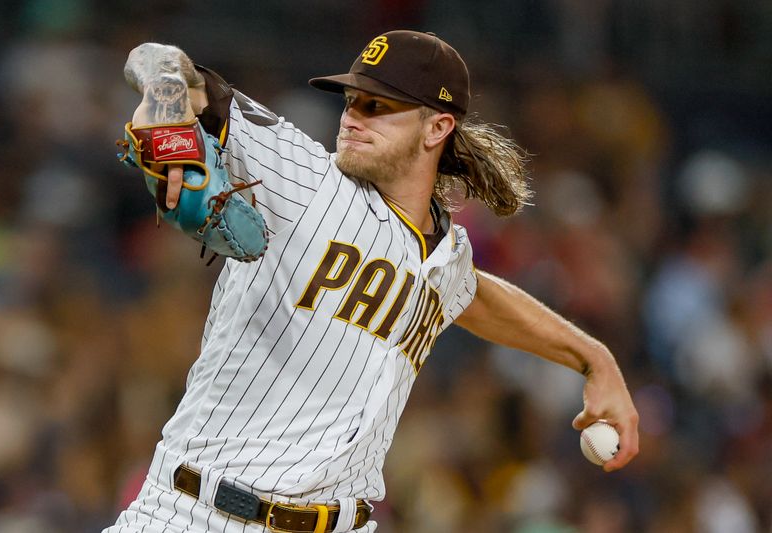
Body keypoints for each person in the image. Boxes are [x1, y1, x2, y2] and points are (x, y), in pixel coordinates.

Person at [105, 30, 639, 533]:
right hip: (199, 514)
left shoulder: (448, 257)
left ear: (437, 127)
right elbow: (156, 59)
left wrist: (594, 358)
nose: (353, 118)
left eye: (378, 107)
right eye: (351, 101)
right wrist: (167, 104)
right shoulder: (303, 174)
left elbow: (474, 295)